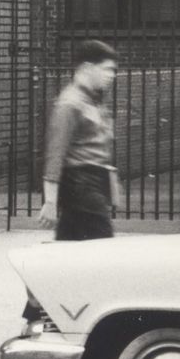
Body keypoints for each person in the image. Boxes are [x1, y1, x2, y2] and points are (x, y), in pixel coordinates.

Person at [43, 38, 123, 239]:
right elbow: (55, 154)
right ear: (88, 68)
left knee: (71, 245)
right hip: (81, 187)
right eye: (106, 69)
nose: (111, 75)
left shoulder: (91, 99)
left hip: (89, 186)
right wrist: (50, 202)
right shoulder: (70, 104)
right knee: (103, 247)